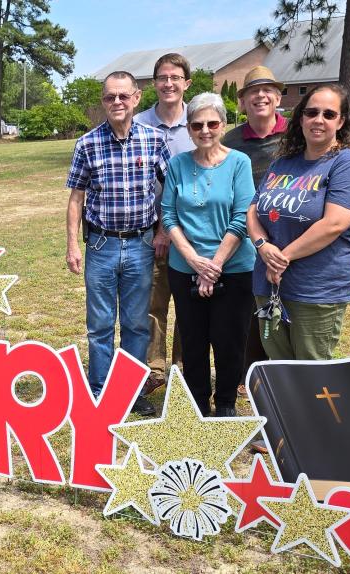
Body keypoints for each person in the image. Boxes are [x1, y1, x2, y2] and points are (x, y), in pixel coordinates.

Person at [65, 71, 171, 416]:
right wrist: (72, 244)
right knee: (99, 324)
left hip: (141, 245)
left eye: (123, 96)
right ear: (103, 101)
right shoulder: (87, 143)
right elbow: (75, 197)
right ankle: (99, 391)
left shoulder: (154, 140)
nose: (117, 102)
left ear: (136, 98)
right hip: (100, 246)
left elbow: (170, 189)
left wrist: (162, 231)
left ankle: (130, 390)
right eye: (110, 97)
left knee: (136, 323)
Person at [245, 83, 350, 361]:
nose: (318, 120)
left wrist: (282, 258)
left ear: (341, 121)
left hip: (317, 288)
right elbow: (253, 210)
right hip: (269, 284)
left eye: (328, 114)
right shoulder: (283, 163)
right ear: (300, 117)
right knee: (280, 368)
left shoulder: (347, 165)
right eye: (312, 112)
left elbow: (333, 224)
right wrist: (263, 245)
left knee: (312, 371)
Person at [160, 92, 256, 417]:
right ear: (188, 129)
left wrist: (213, 265)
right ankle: (198, 404)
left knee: (229, 339)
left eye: (212, 123)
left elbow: (242, 217)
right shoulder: (178, 164)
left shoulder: (239, 163)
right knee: (193, 340)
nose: (205, 130)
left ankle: (226, 403)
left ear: (224, 125)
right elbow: (169, 216)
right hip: (185, 267)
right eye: (197, 124)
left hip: (233, 268)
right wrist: (193, 260)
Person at [134, 53, 196, 396]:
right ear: (153, 84)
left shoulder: (200, 121)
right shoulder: (139, 122)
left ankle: (182, 367)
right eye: (162, 77)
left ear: (186, 82)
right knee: (152, 304)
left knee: (189, 303)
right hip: (150, 233)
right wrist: (159, 228)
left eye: (175, 77)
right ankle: (153, 368)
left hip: (192, 232)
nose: (169, 83)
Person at [221, 66, 286, 381]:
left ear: (276, 97)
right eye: (252, 92)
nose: (260, 96)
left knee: (288, 303)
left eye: (267, 90)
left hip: (288, 232)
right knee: (248, 306)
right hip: (247, 234)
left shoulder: (295, 135)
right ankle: (249, 372)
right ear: (243, 102)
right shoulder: (231, 141)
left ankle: (285, 368)